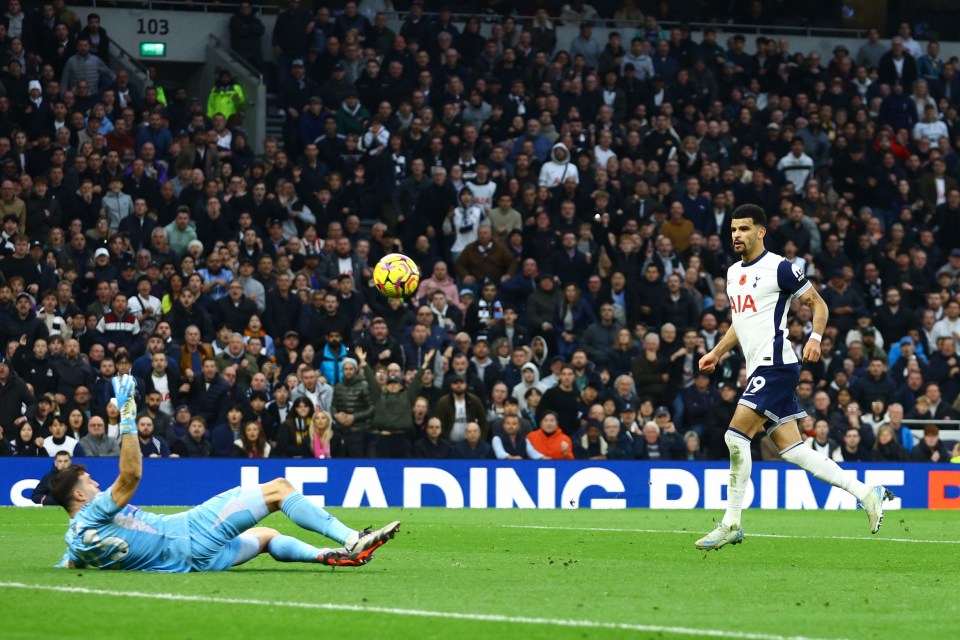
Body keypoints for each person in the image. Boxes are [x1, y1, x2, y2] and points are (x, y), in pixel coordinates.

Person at [51, 375, 400, 571]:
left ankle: (325, 556)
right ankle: (350, 538)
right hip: (190, 533)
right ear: (79, 496)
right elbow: (129, 477)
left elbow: (68, 566)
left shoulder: (76, 544)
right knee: (279, 488)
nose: (97, 485)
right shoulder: (94, 512)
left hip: (196, 564)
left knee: (265, 537)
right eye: (90, 483)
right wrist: (127, 414)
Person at [695, 204, 892, 551]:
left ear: (761, 232)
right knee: (794, 450)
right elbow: (741, 323)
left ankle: (731, 523)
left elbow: (818, 304)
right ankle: (866, 493)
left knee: (735, 438)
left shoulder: (780, 268)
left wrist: (814, 338)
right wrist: (717, 351)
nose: (737, 235)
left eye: (744, 229)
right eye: (733, 229)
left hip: (777, 366)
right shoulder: (730, 273)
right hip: (759, 367)